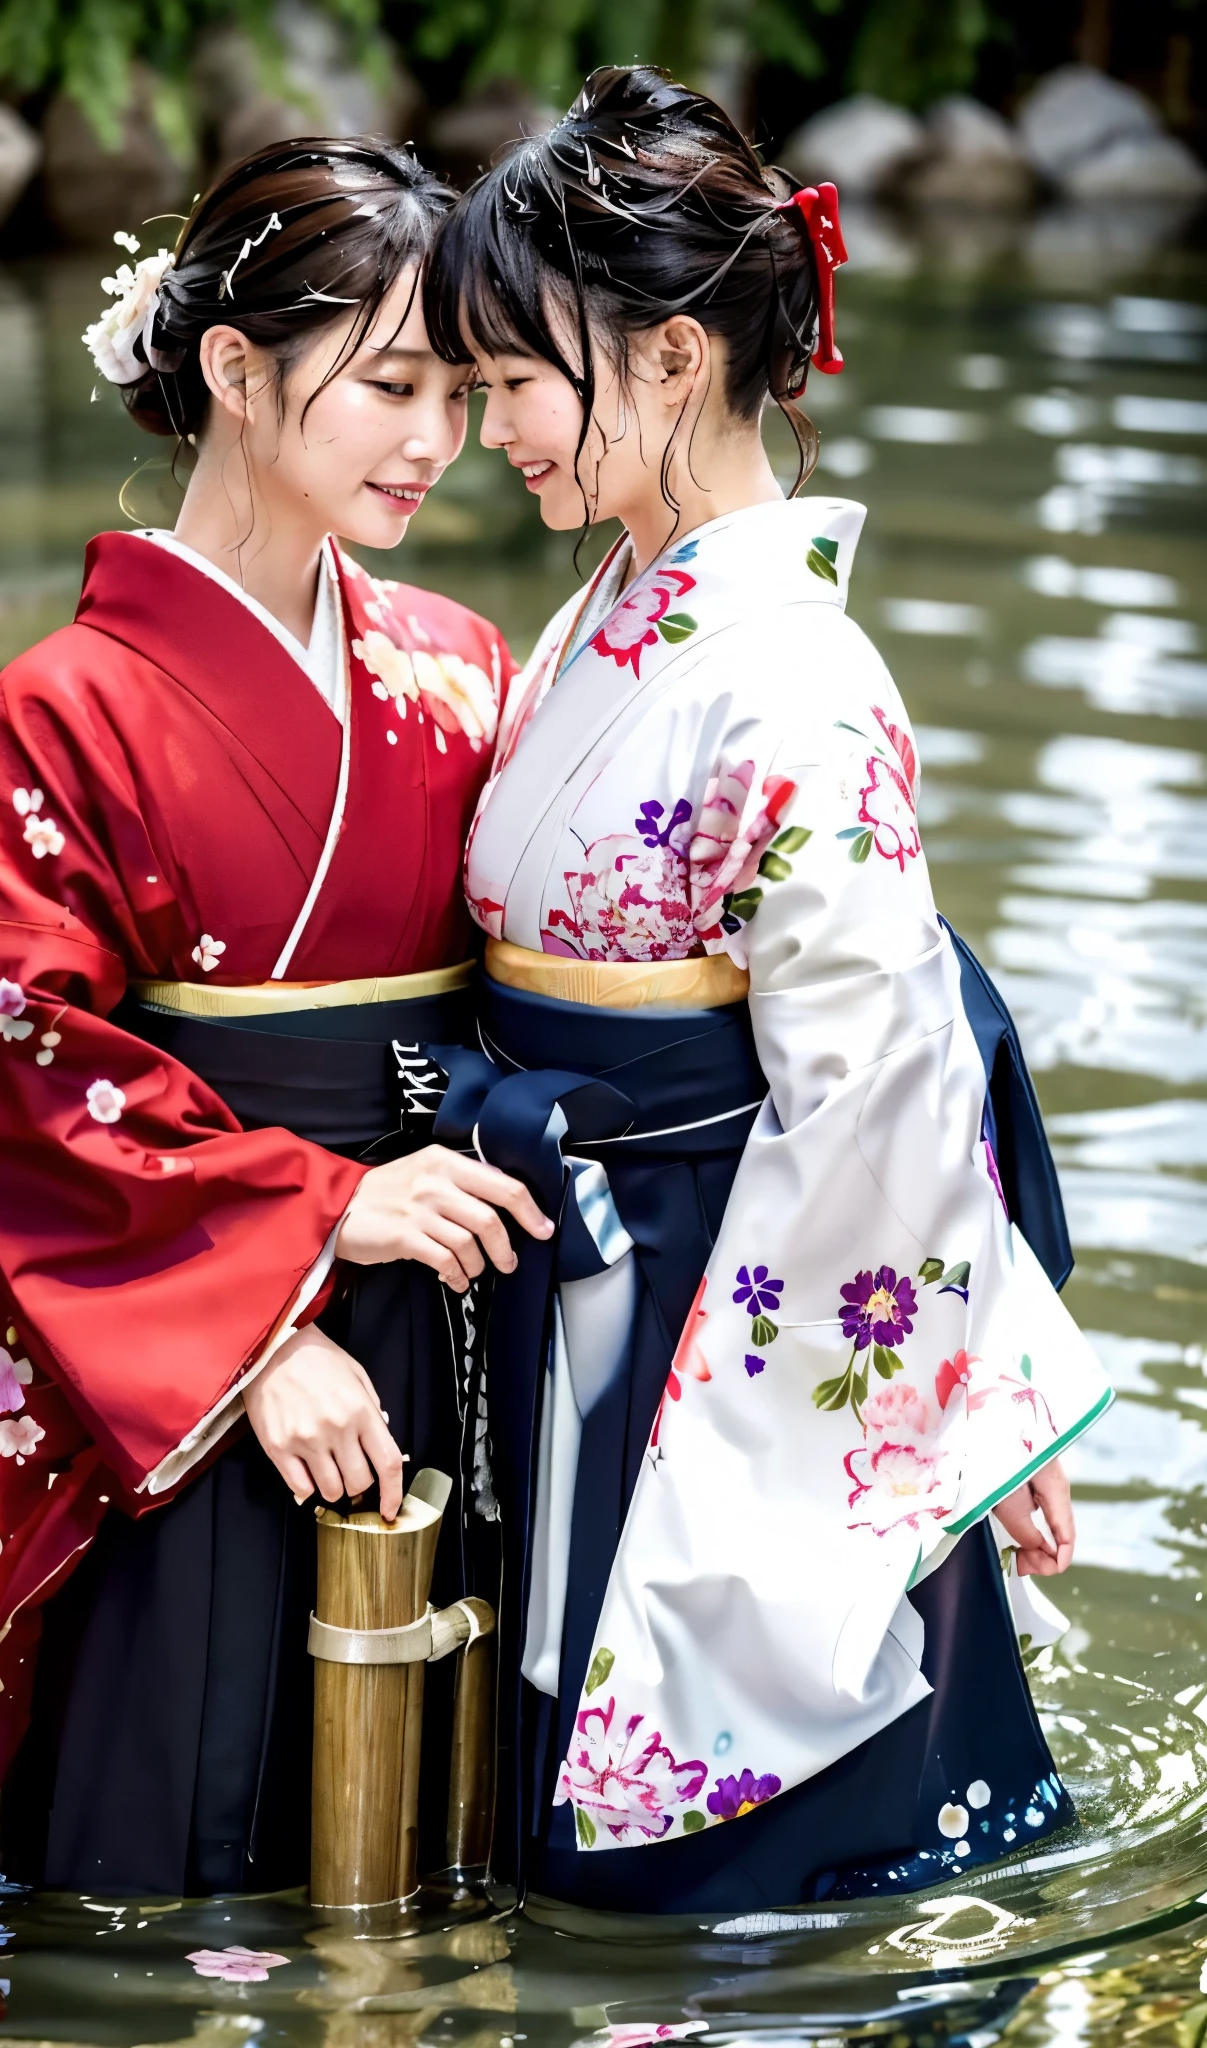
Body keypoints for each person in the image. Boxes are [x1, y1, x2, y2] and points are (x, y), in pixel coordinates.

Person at [0, 136, 552, 1895]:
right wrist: (271, 1318)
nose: (439, 440)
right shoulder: (74, 702)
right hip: (190, 1324)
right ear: (234, 368)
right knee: (164, 1833)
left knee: (423, 1802)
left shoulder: (464, 664)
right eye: (394, 385)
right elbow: (33, 1061)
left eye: (466, 389)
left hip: (433, 1281)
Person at [421, 66, 1112, 1910]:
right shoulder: (615, 615)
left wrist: (903, 1420)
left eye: (511, 380)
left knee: (732, 1859)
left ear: (666, 360)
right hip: (585, 1256)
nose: (490, 430)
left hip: (725, 1302)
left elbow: (884, 1095)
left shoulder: (793, 679)